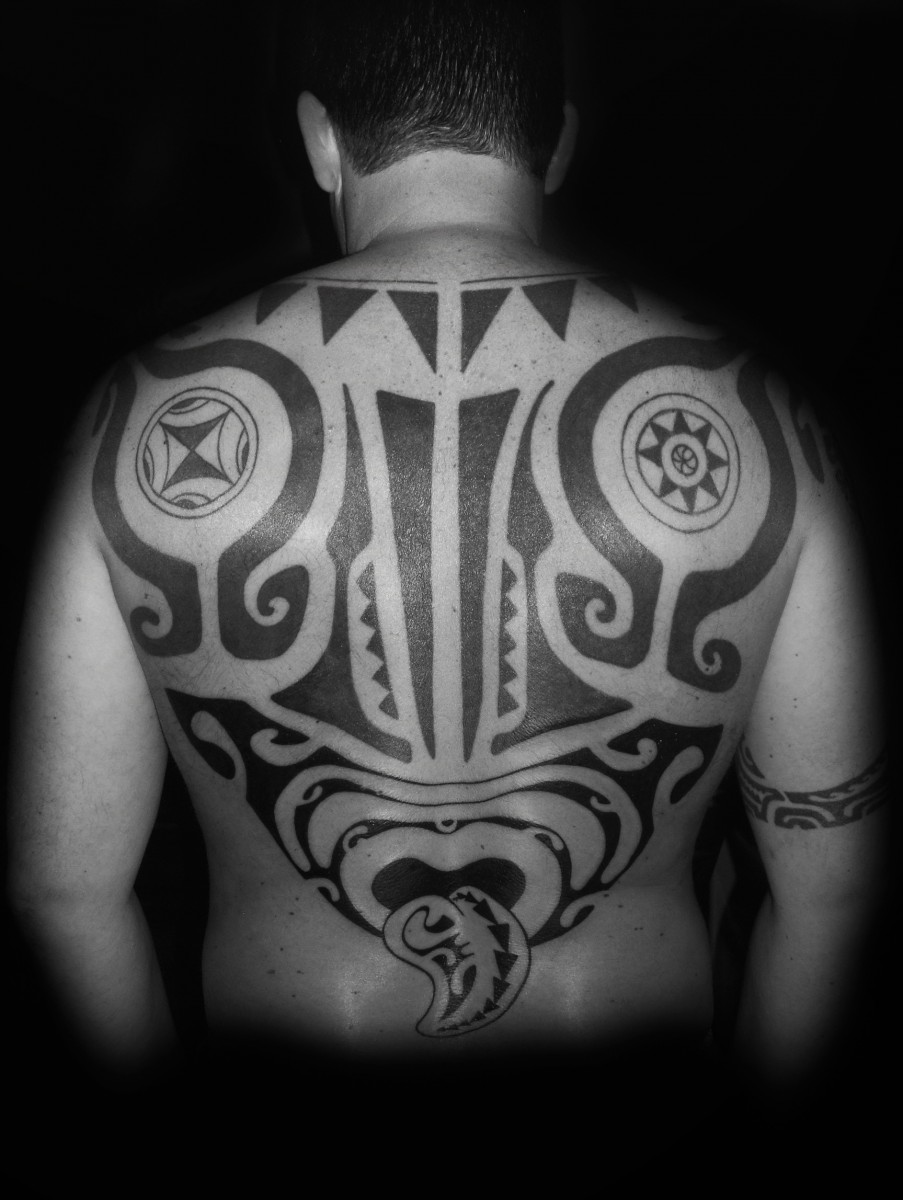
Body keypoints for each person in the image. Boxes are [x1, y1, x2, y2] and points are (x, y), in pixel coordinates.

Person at [7, 0, 889, 1143]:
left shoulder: (133, 425)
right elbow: (833, 888)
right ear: (556, 144)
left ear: (320, 138)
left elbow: (63, 891)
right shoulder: (766, 429)